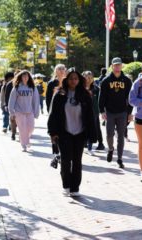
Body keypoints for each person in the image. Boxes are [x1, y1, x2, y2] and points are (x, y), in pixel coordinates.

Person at [48, 68, 96, 197]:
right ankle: (66, 186)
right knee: (65, 160)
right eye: (71, 79)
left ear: (79, 80)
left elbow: (91, 116)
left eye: (76, 79)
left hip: (80, 133)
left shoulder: (85, 95)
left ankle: (75, 187)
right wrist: (52, 132)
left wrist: (92, 134)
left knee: (77, 161)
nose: (73, 81)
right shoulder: (59, 95)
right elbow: (53, 115)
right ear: (66, 80)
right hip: (64, 132)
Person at [99, 57, 133, 168]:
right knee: (109, 134)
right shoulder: (106, 80)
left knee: (121, 136)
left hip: (122, 112)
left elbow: (130, 98)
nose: (117, 67)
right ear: (112, 66)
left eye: (119, 65)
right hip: (110, 112)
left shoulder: (127, 81)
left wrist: (129, 112)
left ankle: (119, 158)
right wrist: (101, 110)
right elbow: (102, 97)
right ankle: (110, 149)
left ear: (121, 66)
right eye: (115, 65)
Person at [8, 70, 40, 152]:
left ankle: (26, 139)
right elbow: (11, 100)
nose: (25, 78)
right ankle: (24, 145)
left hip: (30, 112)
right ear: (21, 77)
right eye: (23, 76)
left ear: (29, 77)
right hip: (19, 112)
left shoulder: (33, 87)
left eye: (27, 76)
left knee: (31, 128)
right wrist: (11, 112)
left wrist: (36, 112)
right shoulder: (17, 87)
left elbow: (36, 101)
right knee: (22, 129)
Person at [83, 70, 105, 155]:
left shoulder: (96, 88)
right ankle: (84, 144)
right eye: (86, 77)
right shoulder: (80, 88)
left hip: (94, 112)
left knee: (93, 128)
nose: (88, 79)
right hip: (82, 112)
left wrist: (101, 111)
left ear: (92, 78)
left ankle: (90, 147)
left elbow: (100, 101)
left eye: (90, 77)